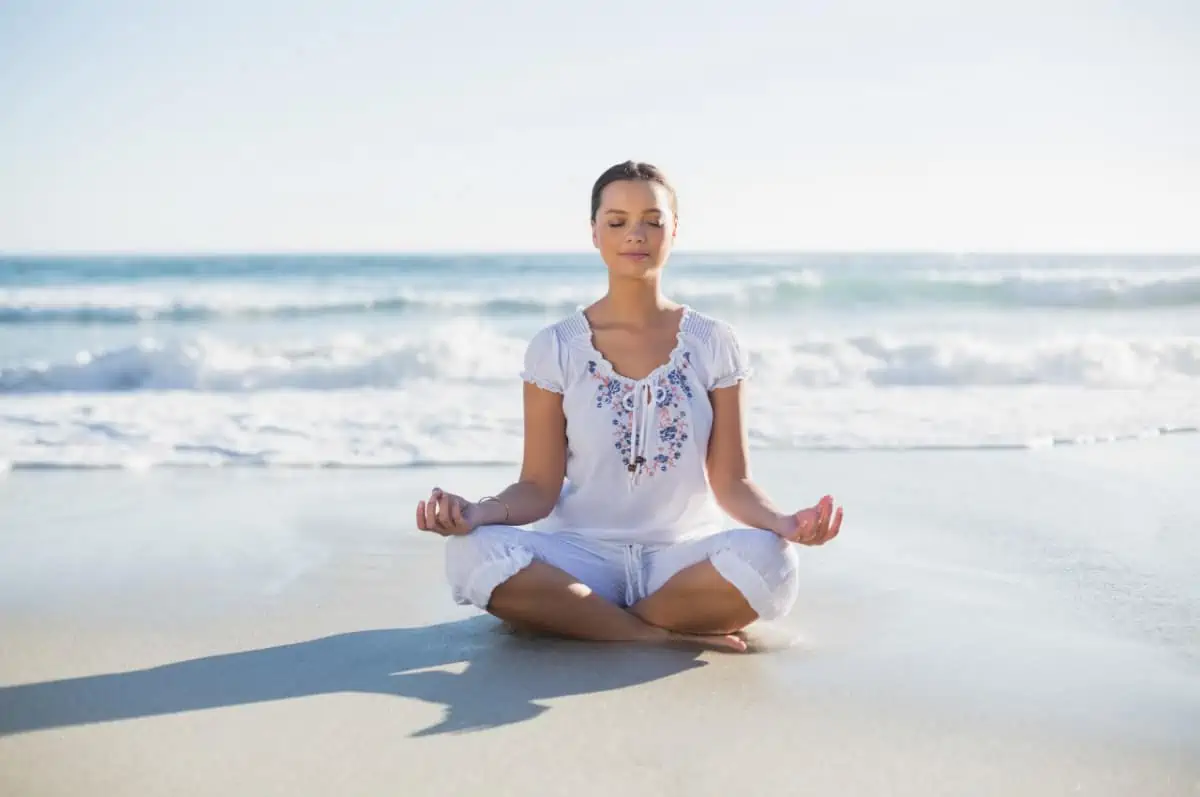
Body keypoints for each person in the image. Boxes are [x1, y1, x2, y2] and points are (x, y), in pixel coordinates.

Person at [415, 161, 843, 653]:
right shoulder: (556, 347)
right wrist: (479, 512)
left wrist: (785, 523)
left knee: (775, 561)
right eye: (617, 221)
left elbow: (732, 481)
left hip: (680, 561)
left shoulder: (715, 343)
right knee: (471, 552)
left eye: (652, 221)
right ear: (594, 233)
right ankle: (653, 635)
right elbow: (537, 487)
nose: (634, 235)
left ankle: (578, 618)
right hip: (577, 556)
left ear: (674, 231)